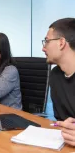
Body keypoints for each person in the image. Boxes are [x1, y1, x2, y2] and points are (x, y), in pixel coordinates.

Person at [42, 18, 75, 146]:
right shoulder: (55, 75)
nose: (43, 48)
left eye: (47, 41)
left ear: (61, 43)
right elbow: (61, 120)